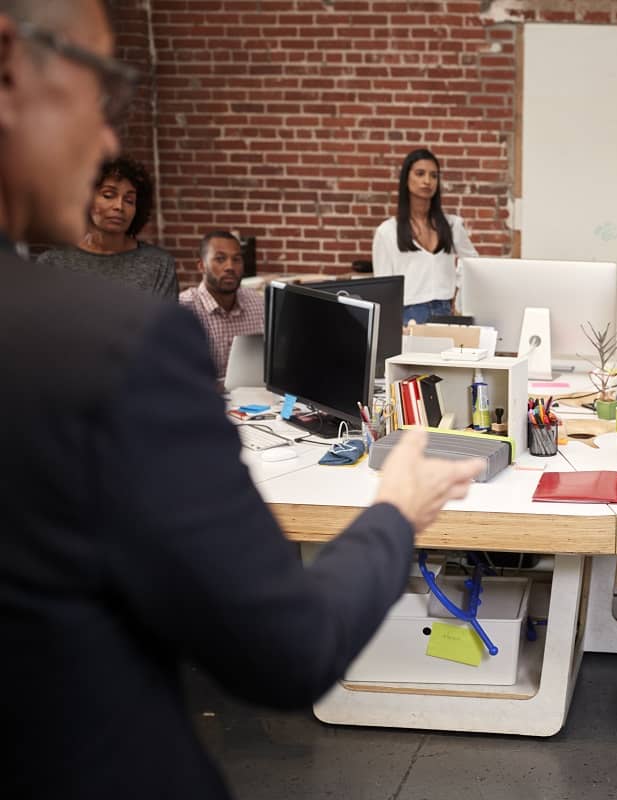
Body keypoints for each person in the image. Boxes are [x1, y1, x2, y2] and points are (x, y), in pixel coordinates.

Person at [0, 4, 482, 798]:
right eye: (102, 88)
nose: (110, 140)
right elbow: (285, 649)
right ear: (14, 65)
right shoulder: (115, 349)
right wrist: (396, 513)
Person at [36, 153, 178, 298]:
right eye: (108, 195)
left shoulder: (158, 265)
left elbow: (166, 320)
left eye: (129, 200)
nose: (119, 206)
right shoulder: (53, 264)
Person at [371, 147, 478, 325]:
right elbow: (384, 287)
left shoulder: (452, 225)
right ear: (406, 178)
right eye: (420, 174)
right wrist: (393, 325)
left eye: (433, 175)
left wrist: (457, 290)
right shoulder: (387, 231)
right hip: (408, 316)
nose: (427, 181)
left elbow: (473, 263)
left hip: (445, 313)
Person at [179, 230, 265, 383]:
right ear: (201, 266)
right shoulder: (184, 308)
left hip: (255, 400)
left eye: (236, 259)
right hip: (201, 400)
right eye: (220, 259)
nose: (230, 267)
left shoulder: (257, 303)